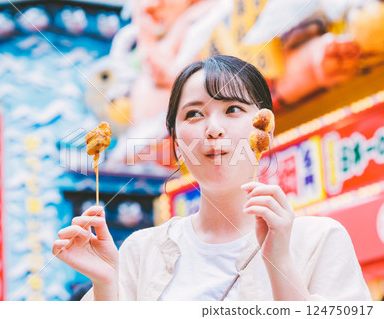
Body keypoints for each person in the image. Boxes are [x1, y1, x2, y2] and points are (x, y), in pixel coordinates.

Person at [53, 55, 372, 301]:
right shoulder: (139, 253)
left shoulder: (320, 240)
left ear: (264, 129)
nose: (213, 129)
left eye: (233, 109)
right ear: (177, 143)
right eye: (194, 114)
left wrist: (279, 260)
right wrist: (106, 285)